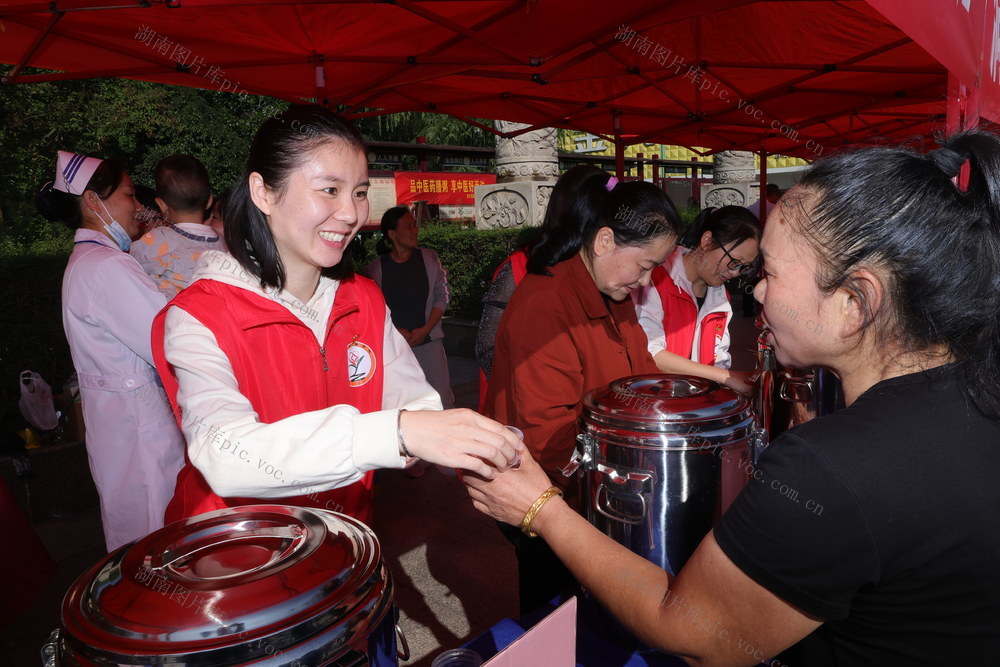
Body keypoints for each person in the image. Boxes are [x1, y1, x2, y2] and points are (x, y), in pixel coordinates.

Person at [465, 130, 1000, 664]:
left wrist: (542, 509)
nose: (756, 291)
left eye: (768, 271)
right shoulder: (977, 397)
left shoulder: (831, 467)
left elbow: (695, 635)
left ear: (854, 301)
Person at [151, 105, 520, 527]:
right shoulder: (199, 316)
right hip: (236, 557)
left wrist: (466, 440)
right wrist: (396, 434)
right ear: (264, 192)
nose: (351, 213)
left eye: (359, 192)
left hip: (343, 543)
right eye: (329, 189)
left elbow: (413, 401)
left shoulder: (363, 298)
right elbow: (223, 453)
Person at [485, 177, 682, 615]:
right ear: (604, 241)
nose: (647, 281)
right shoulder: (548, 304)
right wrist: (622, 487)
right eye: (645, 265)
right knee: (557, 613)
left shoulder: (612, 292)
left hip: (591, 489)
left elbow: (641, 379)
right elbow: (549, 437)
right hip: (551, 495)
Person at [36, 151, 184, 552]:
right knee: (158, 534)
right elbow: (170, 341)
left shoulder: (89, 262)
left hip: (119, 420)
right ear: (93, 201)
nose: (138, 206)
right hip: (138, 424)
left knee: (137, 531)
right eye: (129, 193)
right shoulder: (106, 267)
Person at [474, 165, 606, 409]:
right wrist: (528, 394)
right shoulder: (519, 266)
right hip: (524, 411)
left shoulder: (608, 270)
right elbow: (487, 346)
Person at [635, 205, 761, 393]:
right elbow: (650, 354)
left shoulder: (720, 297)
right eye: (733, 261)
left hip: (694, 407)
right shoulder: (658, 278)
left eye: (744, 267)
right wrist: (726, 378)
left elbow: (718, 357)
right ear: (707, 240)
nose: (735, 272)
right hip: (655, 403)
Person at [365, 206, 454, 412]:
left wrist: (425, 329)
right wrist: (396, 332)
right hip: (395, 348)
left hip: (429, 344)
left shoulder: (430, 259)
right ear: (392, 234)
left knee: (442, 401)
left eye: (415, 225)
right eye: (409, 226)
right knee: (401, 405)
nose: (415, 230)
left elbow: (443, 296)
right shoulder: (375, 269)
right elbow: (374, 309)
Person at [130, 155, 225, 298]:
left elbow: (132, 269)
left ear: (161, 204)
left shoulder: (152, 241)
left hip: (166, 316)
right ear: (209, 201)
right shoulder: (225, 245)